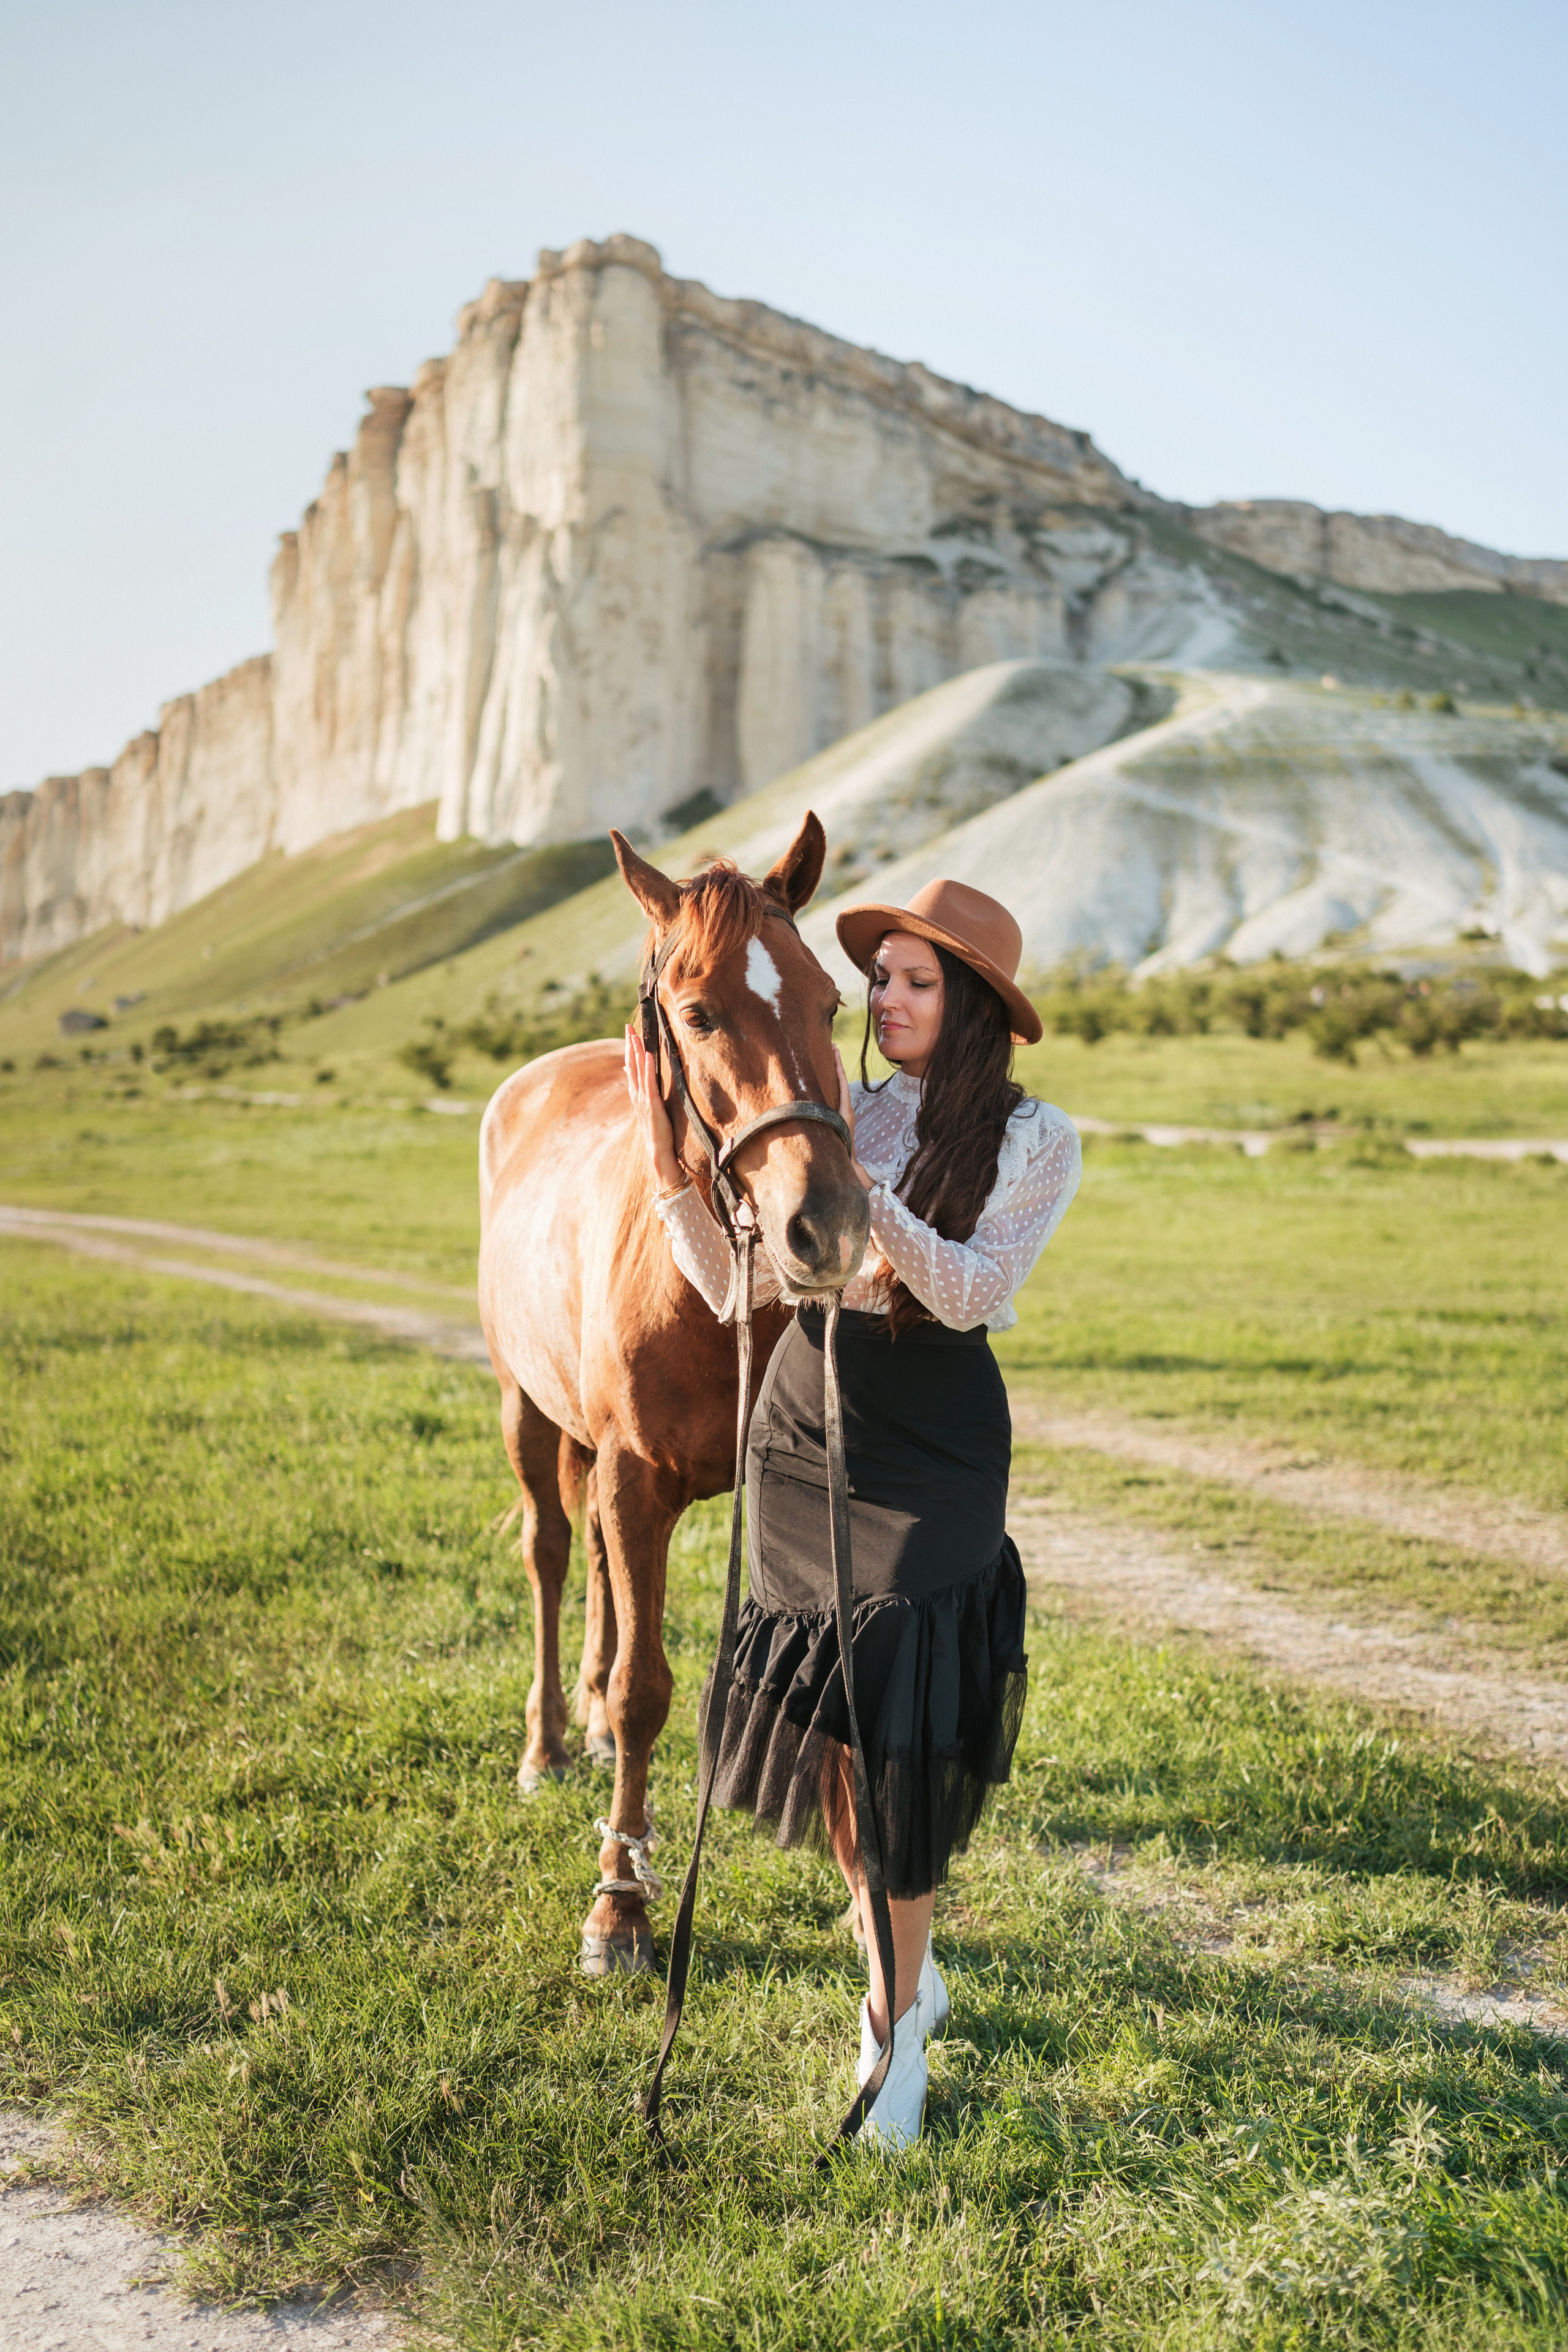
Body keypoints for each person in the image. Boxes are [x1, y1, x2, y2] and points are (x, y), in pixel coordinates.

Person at [624, 876, 1081, 2146]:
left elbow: (974, 1287)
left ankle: (891, 2034)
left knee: (906, 1733)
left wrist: (855, 1198)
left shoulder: (1038, 1140)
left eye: (914, 979)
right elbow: (733, 1291)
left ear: (974, 1004)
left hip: (931, 1439)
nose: (884, 998)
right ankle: (902, 1969)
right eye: (876, 977)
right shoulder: (833, 1112)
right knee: (834, 1728)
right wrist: (673, 1173)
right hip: (802, 1424)